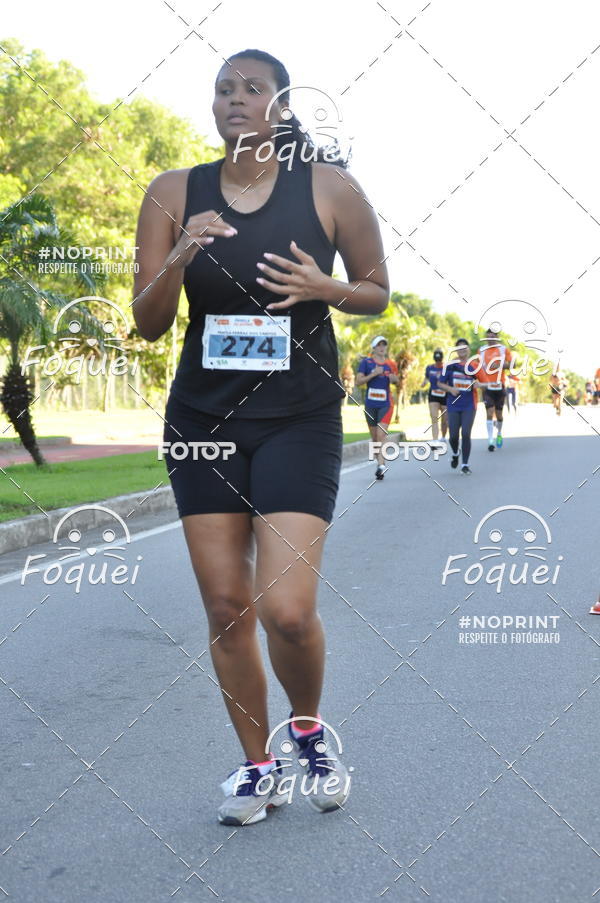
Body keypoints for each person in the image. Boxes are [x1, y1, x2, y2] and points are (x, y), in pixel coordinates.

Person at [132, 48, 389, 825]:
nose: (236, 100)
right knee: (225, 607)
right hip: (204, 421)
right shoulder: (174, 192)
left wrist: (326, 288)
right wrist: (180, 253)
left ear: (281, 104)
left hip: (299, 418)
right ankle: (258, 768)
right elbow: (147, 322)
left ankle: (307, 730)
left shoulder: (331, 190)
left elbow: (378, 291)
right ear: (212, 107)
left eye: (253, 88)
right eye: (224, 90)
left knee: (286, 609)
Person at [356, 336, 399, 479]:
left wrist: (394, 380)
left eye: (384, 345)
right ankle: (380, 463)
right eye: (379, 345)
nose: (382, 348)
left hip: (386, 404)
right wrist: (374, 374)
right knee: (375, 438)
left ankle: (381, 466)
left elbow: (397, 381)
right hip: (370, 405)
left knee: (381, 435)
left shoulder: (391, 364)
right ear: (374, 348)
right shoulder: (366, 363)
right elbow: (358, 382)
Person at [437, 339, 478, 474]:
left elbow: (480, 381)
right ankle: (455, 453)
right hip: (453, 405)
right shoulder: (450, 366)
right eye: (459, 348)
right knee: (453, 436)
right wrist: (450, 389)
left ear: (468, 350)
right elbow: (440, 383)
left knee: (466, 434)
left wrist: (478, 384)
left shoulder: (474, 366)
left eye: (464, 348)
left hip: (469, 405)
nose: (462, 350)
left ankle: (465, 465)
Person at [471, 328, 512, 451]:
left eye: (493, 336)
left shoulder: (503, 349)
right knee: (489, 412)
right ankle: (490, 440)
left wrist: (500, 365)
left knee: (499, 414)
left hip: (500, 385)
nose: (491, 338)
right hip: (487, 386)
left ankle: (499, 433)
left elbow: (512, 364)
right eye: (489, 336)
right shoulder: (481, 350)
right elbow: (477, 367)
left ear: (497, 337)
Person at [421, 348, 448, 445]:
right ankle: (435, 439)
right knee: (434, 417)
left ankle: (443, 437)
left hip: (445, 395)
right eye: (436, 359)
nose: (438, 361)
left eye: (439, 359)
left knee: (445, 420)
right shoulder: (429, 368)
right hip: (433, 395)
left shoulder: (446, 368)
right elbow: (427, 378)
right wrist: (424, 383)